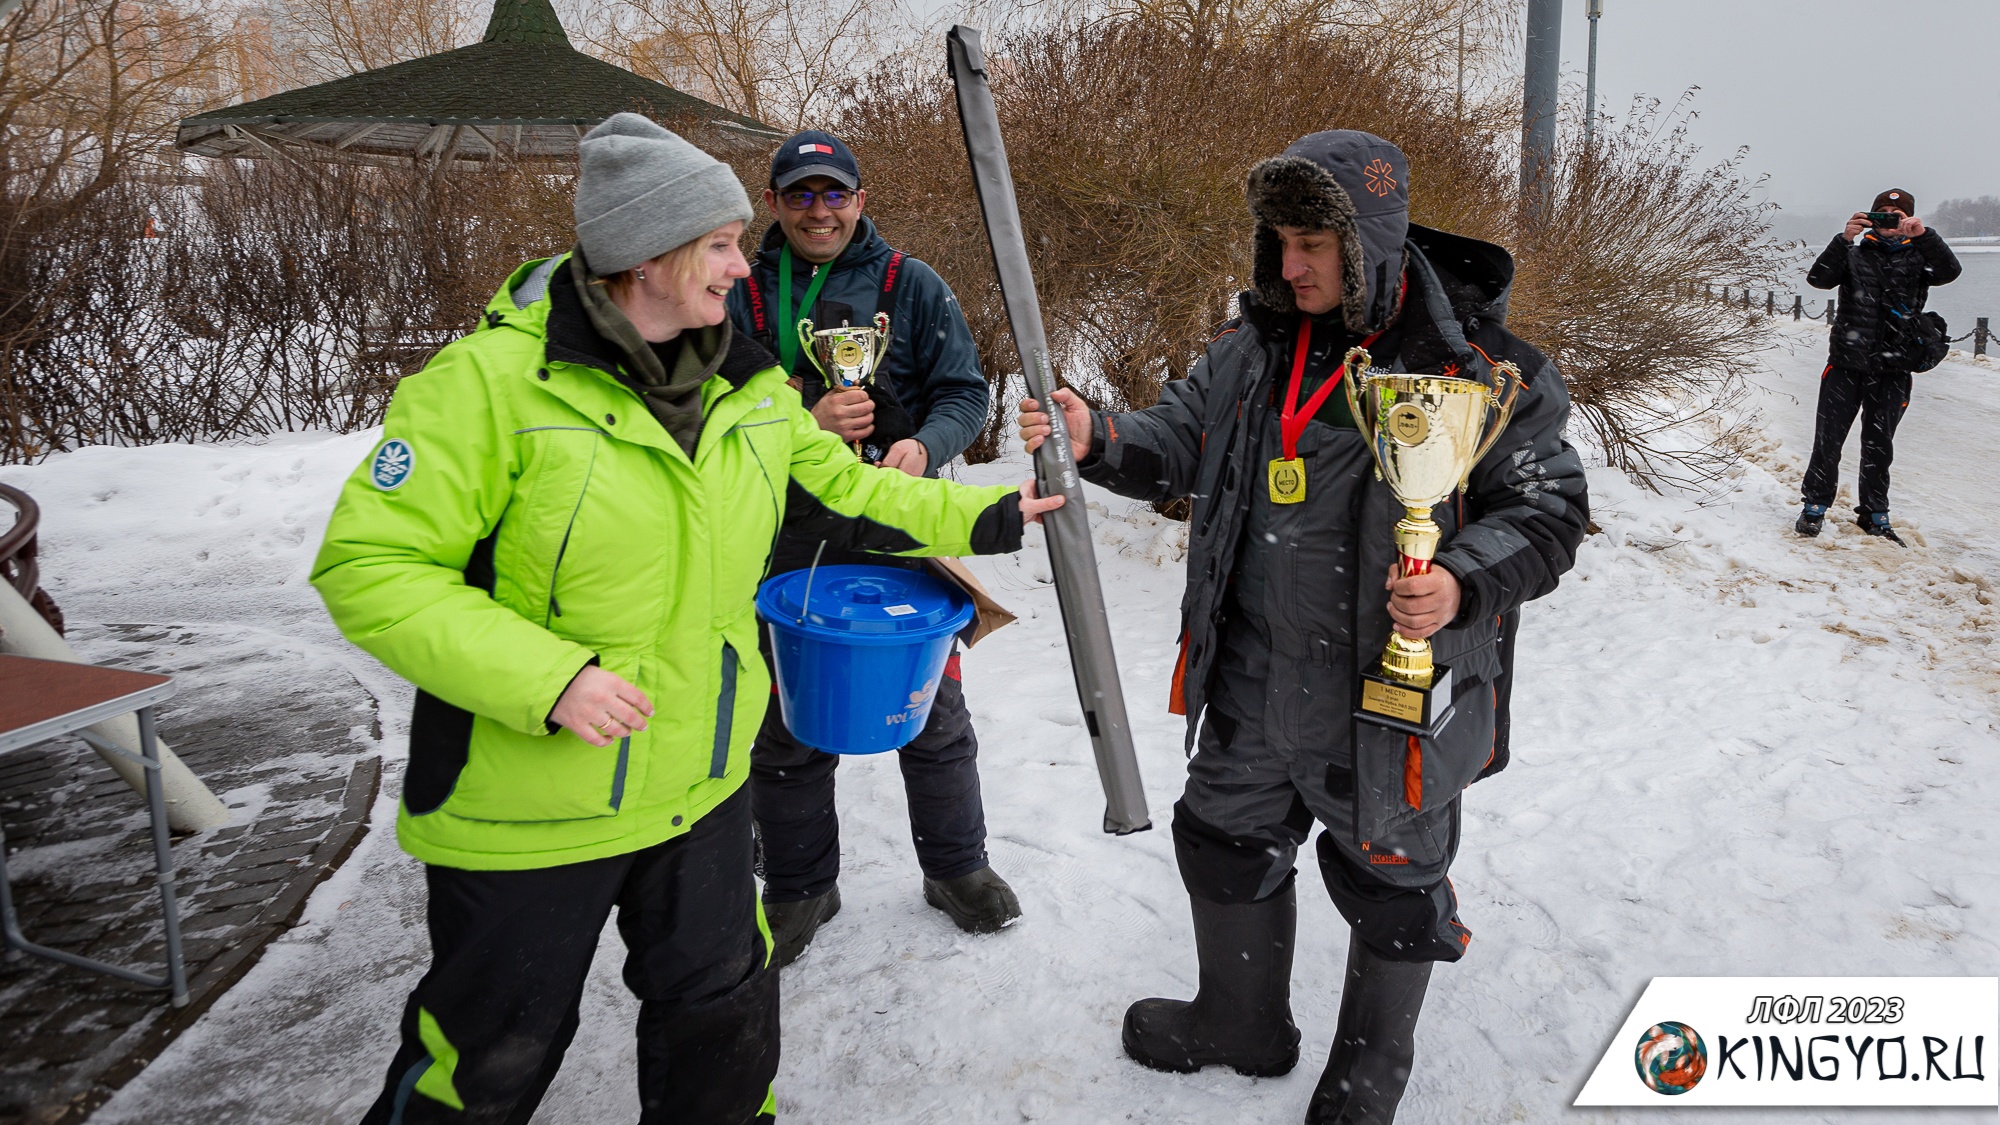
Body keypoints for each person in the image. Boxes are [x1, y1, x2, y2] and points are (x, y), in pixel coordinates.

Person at [312, 112, 1061, 1125]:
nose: (735, 263)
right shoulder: (488, 388)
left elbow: (852, 487)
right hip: (531, 807)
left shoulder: (747, 383)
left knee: (719, 1035)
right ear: (645, 256)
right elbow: (370, 566)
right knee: (490, 1055)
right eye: (716, 243)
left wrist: (986, 511)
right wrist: (550, 680)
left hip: (701, 782)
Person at [1020, 130, 1588, 1123]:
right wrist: (1099, 437)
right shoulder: (1251, 352)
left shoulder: (1484, 370)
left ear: (1367, 240)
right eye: (1278, 242)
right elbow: (1176, 444)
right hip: (1249, 675)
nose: (1289, 266)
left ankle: (1368, 1075)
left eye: (1313, 245)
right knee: (1222, 841)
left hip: (1392, 697)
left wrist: (1458, 580)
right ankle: (1239, 1022)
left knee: (1393, 886)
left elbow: (1546, 514)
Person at [725, 130, 1016, 966]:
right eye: (800, 194)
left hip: (898, 522)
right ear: (775, 203)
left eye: (834, 193)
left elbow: (965, 392)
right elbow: (711, 405)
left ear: (860, 199)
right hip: (780, 528)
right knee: (788, 721)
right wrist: (803, 426)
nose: (819, 210)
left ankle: (957, 868)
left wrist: (924, 444)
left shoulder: (911, 285)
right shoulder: (742, 292)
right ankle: (800, 885)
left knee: (931, 708)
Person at [1798, 188, 1961, 544]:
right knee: (1828, 440)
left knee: (1879, 445)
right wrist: (1843, 239)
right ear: (1871, 217)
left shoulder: (1919, 257)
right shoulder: (1854, 254)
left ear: (1909, 219)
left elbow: (1950, 271)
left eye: (1898, 214)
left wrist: (1925, 236)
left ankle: (1874, 515)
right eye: (1883, 212)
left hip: (1895, 367)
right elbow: (1818, 279)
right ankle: (1814, 507)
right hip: (1845, 364)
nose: (1891, 219)